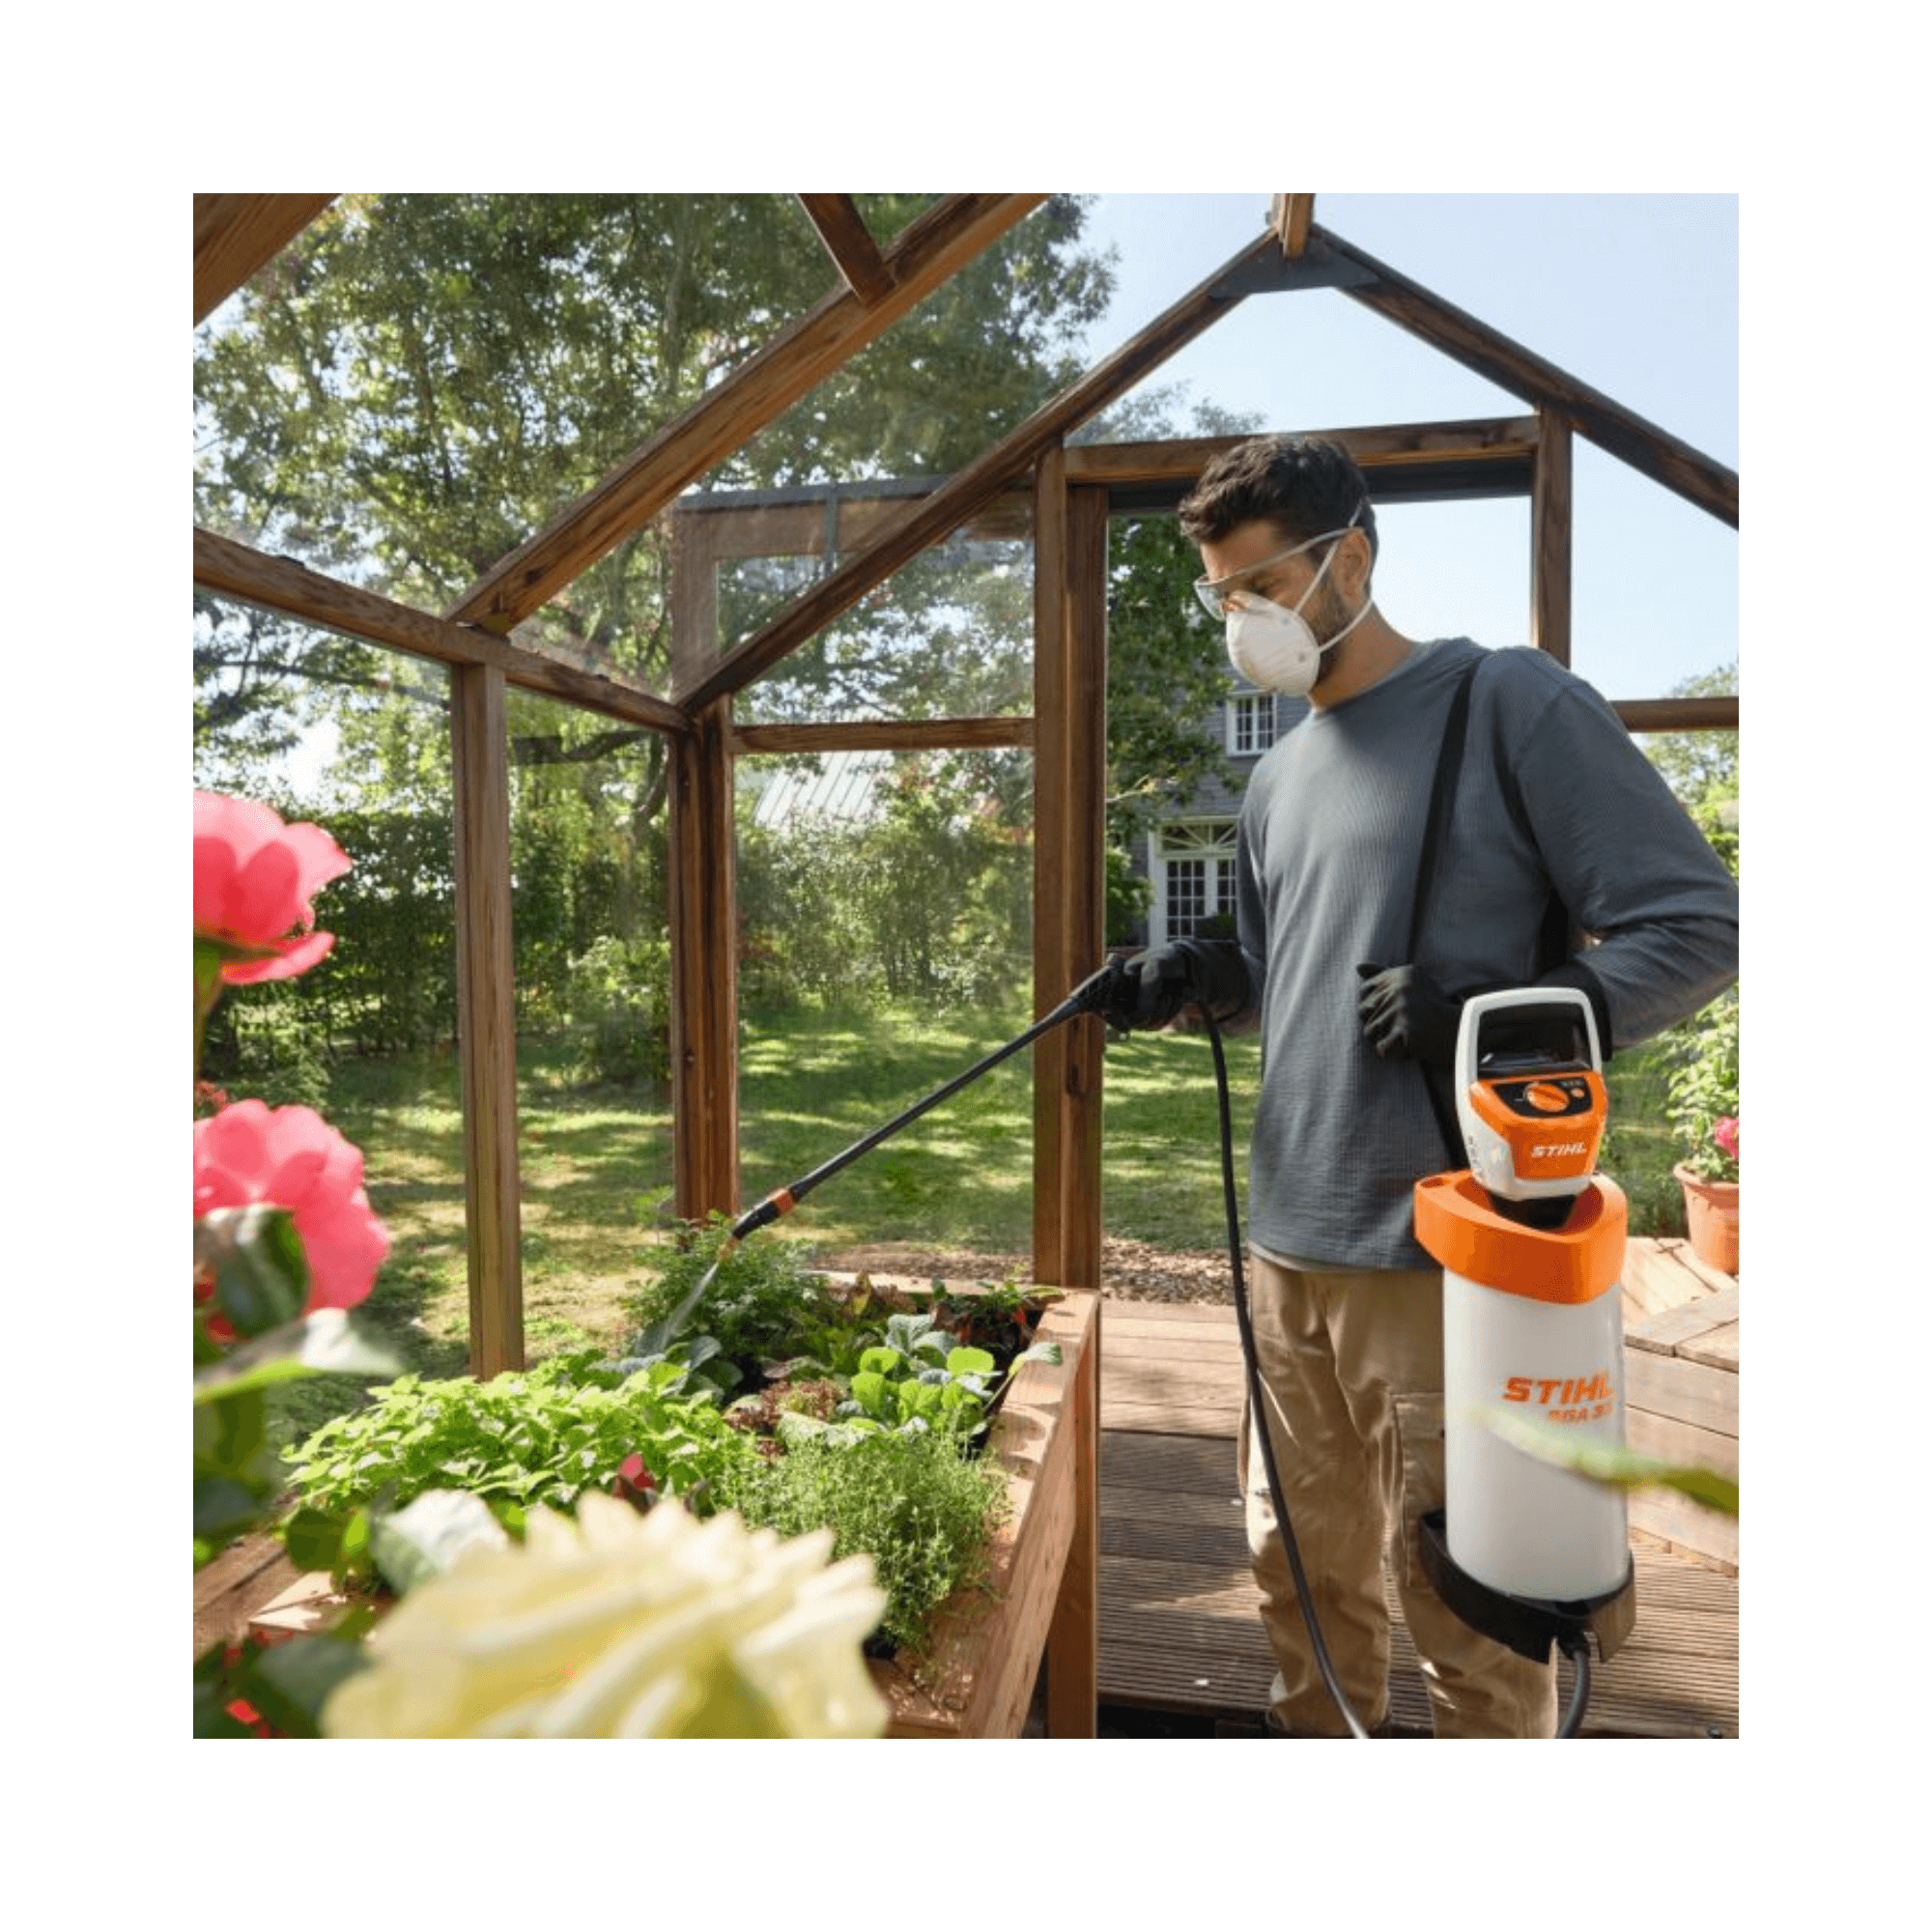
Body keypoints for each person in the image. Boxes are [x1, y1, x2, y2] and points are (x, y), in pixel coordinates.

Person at [1098, 434, 1738, 1738]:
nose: (1244, 620)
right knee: (1300, 1584)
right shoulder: (1276, 779)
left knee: (1472, 1614)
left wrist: (1504, 1018)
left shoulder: (1508, 705)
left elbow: (1698, 925)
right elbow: (1297, 981)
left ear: (1354, 556)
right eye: (1224, 595)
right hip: (1287, 1252)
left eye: (1264, 582)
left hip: (1444, 1258)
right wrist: (1201, 980)